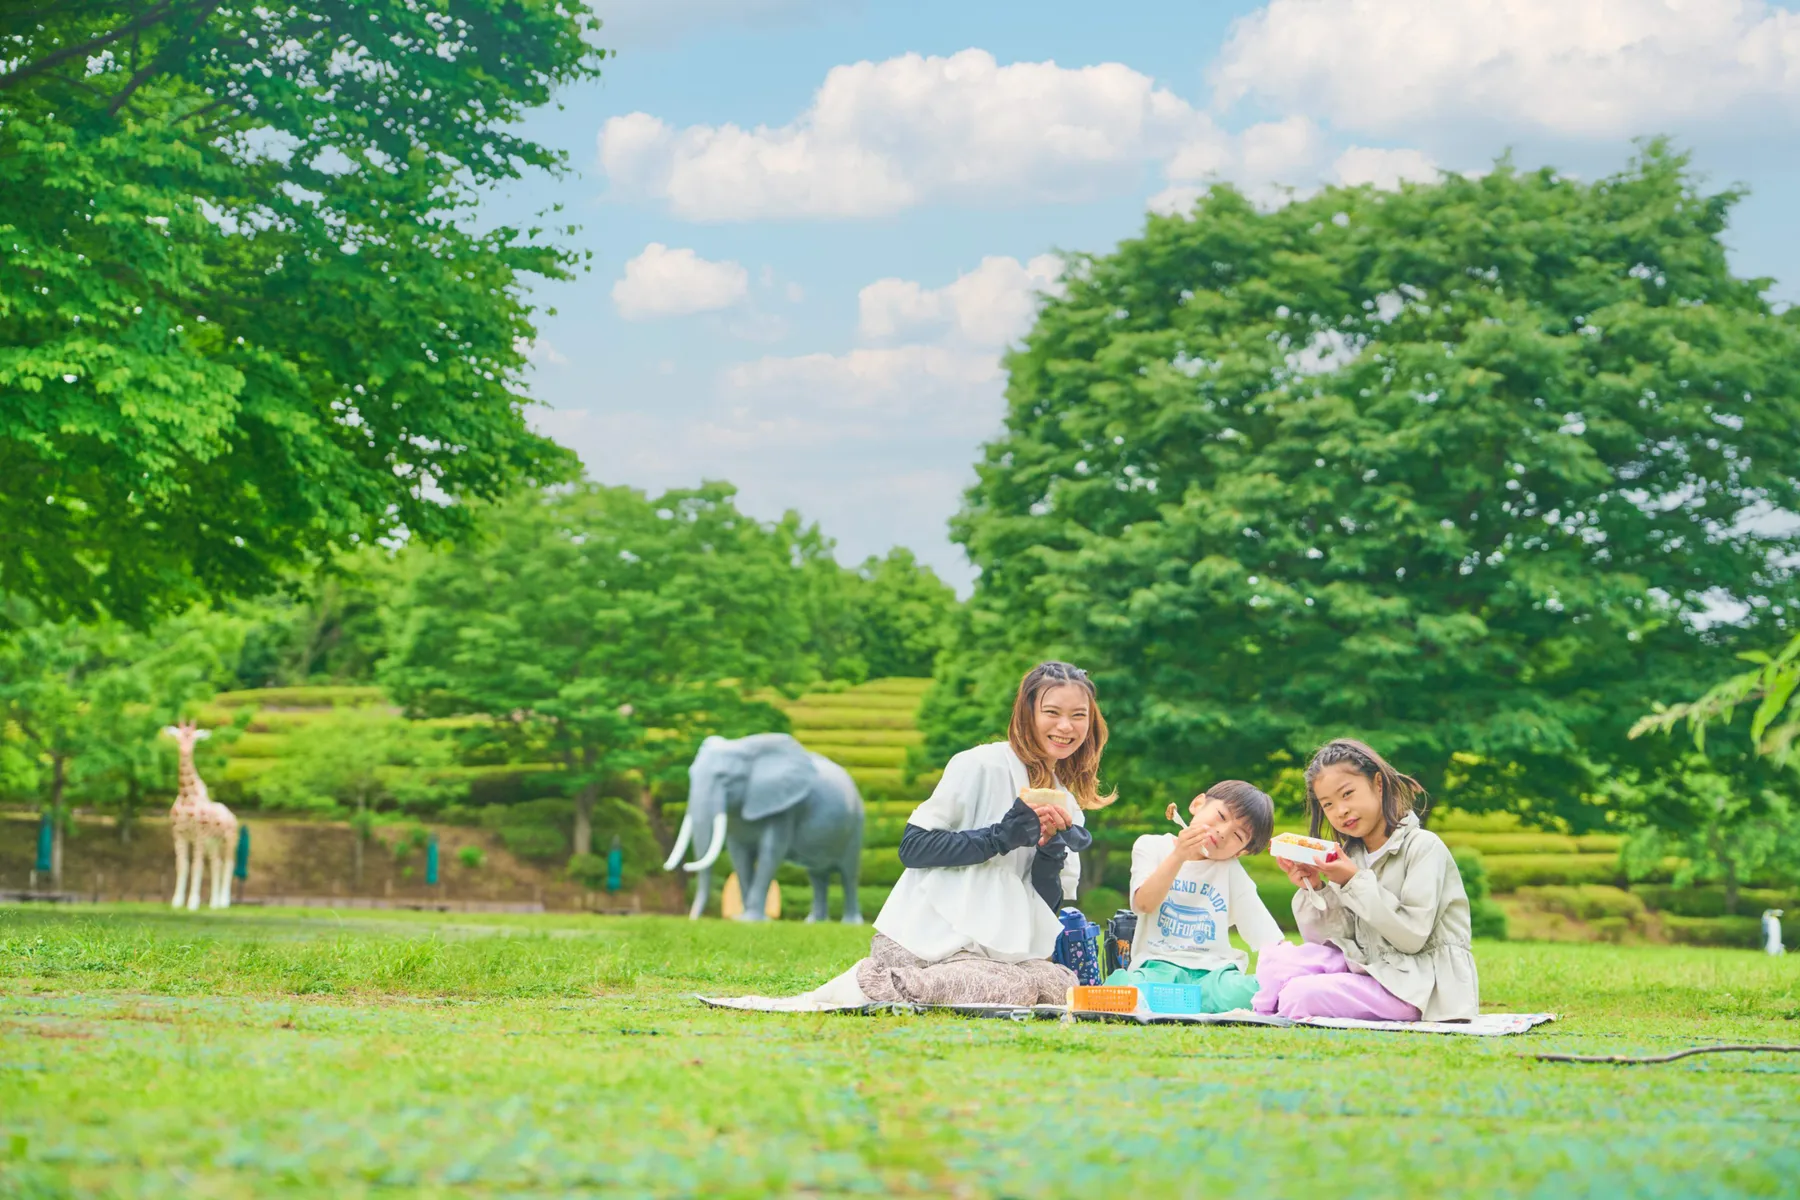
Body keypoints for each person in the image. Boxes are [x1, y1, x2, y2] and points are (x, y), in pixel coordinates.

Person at [851, 661, 1116, 1006]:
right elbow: (913, 848)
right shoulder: (979, 764)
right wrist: (999, 837)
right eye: (1052, 712)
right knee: (1014, 988)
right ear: (1027, 713)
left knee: (1060, 985)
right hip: (928, 939)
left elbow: (1047, 906)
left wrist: (1050, 850)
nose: (1066, 727)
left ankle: (982, 980)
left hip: (995, 954)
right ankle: (875, 981)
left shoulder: (1065, 799)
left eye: (1078, 715)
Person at [1254, 738, 1479, 1022]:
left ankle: (1269, 1009)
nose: (1341, 810)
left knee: (1299, 994)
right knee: (1277, 963)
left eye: (1347, 794)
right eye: (1328, 804)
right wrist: (1316, 887)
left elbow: (1412, 937)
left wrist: (1353, 881)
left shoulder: (1423, 847)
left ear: (1378, 784)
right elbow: (1330, 942)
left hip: (1417, 986)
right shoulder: (1351, 857)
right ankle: (1264, 1007)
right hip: (1369, 969)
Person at [1103, 782, 1284, 1012]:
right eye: (1221, 816)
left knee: (1257, 991)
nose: (1223, 832)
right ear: (1198, 804)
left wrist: (1287, 973)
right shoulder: (1152, 846)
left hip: (1214, 976)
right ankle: (1190, 1002)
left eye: (1238, 836)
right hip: (1158, 968)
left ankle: (1176, 1002)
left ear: (1241, 852)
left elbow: (1268, 938)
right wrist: (1179, 855)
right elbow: (1144, 904)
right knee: (1122, 988)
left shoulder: (1231, 872)